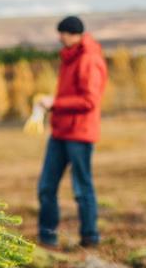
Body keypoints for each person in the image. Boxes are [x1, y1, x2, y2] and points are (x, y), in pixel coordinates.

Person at [36, 16, 107, 248]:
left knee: (82, 188)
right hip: (60, 133)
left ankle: (90, 237)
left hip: (80, 134)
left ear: (74, 34)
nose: (60, 37)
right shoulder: (69, 57)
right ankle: (47, 237)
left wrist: (55, 103)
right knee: (46, 187)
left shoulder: (88, 60)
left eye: (63, 33)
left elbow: (89, 100)